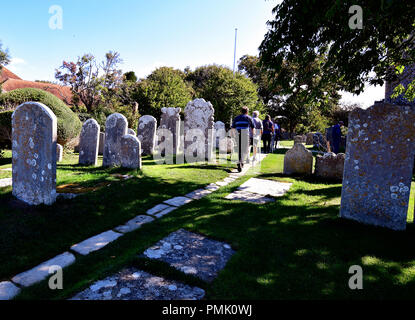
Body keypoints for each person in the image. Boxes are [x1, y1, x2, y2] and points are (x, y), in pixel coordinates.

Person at [232, 106, 254, 172]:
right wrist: (253, 136)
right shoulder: (249, 118)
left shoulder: (236, 118)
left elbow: (233, 128)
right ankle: (241, 162)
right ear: (247, 111)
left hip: (238, 134)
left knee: (239, 149)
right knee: (245, 149)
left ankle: (240, 161)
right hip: (245, 135)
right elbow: (253, 128)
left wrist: (233, 135)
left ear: (241, 111)